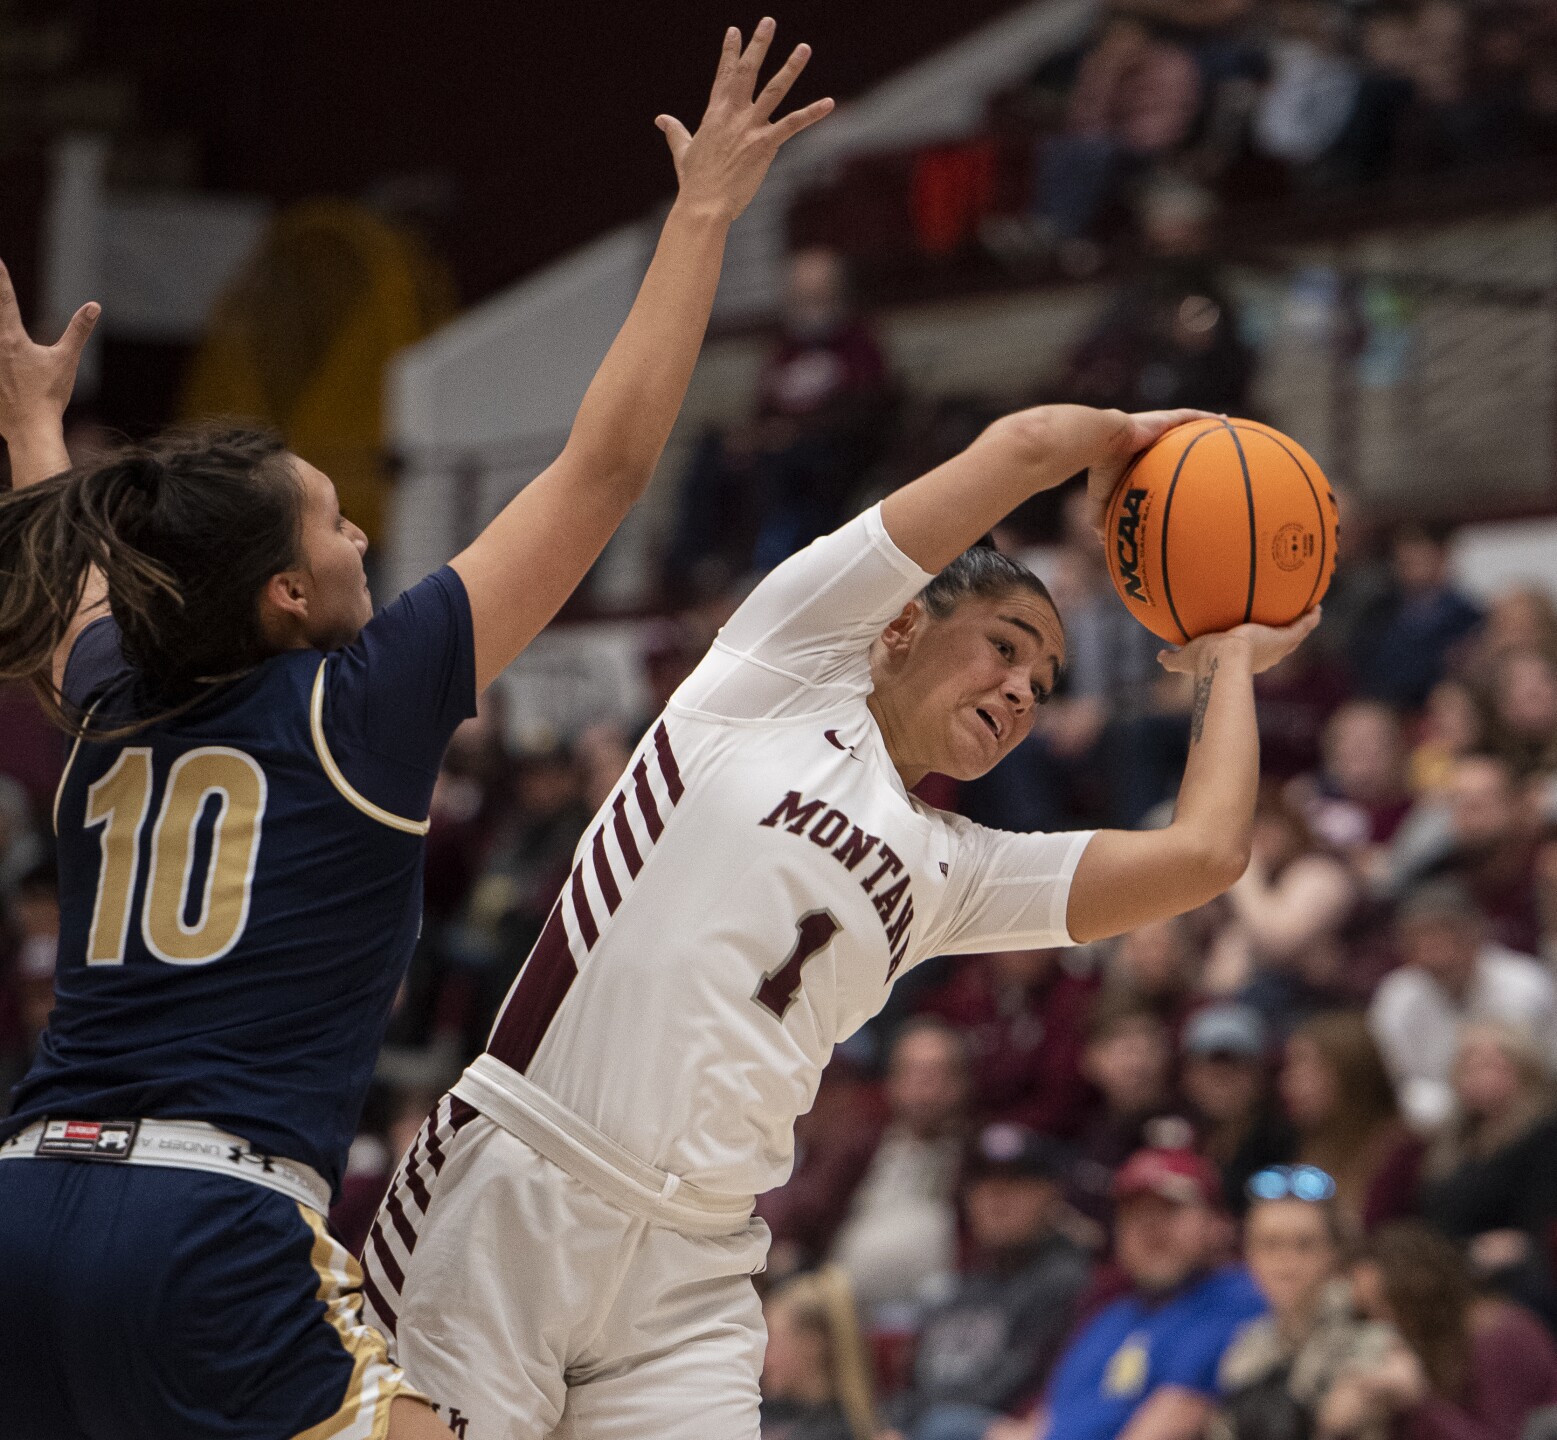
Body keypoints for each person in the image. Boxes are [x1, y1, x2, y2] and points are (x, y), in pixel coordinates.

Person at [0, 25, 830, 1440]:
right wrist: (700, 218)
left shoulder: (107, 703)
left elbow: (76, 569)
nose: (362, 529)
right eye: (334, 519)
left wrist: (32, 430)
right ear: (281, 593)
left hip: (25, 1209)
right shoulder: (359, 706)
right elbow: (607, 465)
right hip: (207, 1225)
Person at [368, 379, 1319, 1440]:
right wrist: (1124, 451)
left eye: (1044, 685)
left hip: (695, 1265)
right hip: (526, 1182)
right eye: (1004, 646)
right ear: (904, 624)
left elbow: (1204, 854)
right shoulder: (773, 672)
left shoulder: (953, 871)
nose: (1020, 692)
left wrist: (1227, 658)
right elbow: (1021, 443)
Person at [1025, 1148, 1266, 1440]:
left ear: (1218, 1223)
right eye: (1134, 1214)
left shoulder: (1241, 1300)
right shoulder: (1109, 1317)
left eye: (1169, 1210)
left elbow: (1181, 1412)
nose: (1150, 1228)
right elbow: (1041, 1423)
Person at [892, 1124, 1093, 1440]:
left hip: (1003, 1431)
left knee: (944, 1426)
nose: (996, 1198)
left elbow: (1020, 1390)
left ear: (1051, 1194)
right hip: (931, 1428)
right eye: (984, 1183)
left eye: (1016, 1183)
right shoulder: (952, 1289)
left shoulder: (1066, 1283)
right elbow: (912, 1390)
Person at [1213, 1166, 1407, 1440]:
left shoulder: (1373, 1340)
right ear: (1249, 1255)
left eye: (1305, 1245)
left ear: (1335, 1254)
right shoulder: (1247, 1346)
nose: (1286, 1263)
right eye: (1270, 1245)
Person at [1368, 880, 1557, 1129]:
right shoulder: (1397, 997)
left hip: (1525, 1119)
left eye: (1442, 938)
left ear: (1474, 934)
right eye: (1419, 942)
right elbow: (1398, 1082)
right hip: (1438, 1126)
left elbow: (1545, 1071)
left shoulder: (1525, 986)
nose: (1432, 954)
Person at [1351, 1221, 1557, 1440]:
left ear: (1419, 1289)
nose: (1379, 1321)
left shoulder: (1497, 1335)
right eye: (1367, 1312)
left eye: (1385, 1302)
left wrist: (1419, 1400)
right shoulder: (1430, 1344)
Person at [826, 1017, 971, 1317]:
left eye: (935, 1073)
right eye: (912, 1072)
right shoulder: (860, 1145)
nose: (922, 1087)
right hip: (845, 1314)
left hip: (938, 1314)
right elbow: (812, 1211)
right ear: (891, 1082)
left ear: (960, 1084)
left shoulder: (977, 1158)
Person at [1418, 1022, 1557, 1322]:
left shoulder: (1542, 1135)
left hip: (1512, 1276)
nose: (1478, 1074)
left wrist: (1519, 1245)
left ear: (1524, 1071)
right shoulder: (1452, 1139)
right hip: (1449, 1262)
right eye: (1469, 1063)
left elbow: (1538, 1222)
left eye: (1492, 1064)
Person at [1280, 1012, 1421, 1231]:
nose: (1287, 1083)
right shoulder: (1308, 1145)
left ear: (1350, 1075)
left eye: (1304, 1069)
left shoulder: (1399, 1155)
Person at [1180, 1005, 1297, 1214]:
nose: (1223, 1081)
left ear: (1259, 1075)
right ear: (1190, 1075)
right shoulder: (1176, 1135)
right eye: (1212, 1067)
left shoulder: (1282, 1144)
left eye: (1236, 1067)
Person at [760, 1268, 880, 1440]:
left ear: (812, 1343)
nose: (761, 1356)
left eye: (770, 1338)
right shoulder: (766, 1410)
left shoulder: (839, 1431)